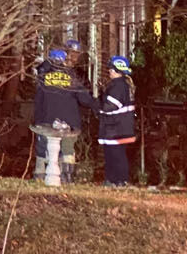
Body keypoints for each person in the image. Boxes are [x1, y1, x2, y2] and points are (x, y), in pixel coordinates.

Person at [31, 47, 94, 183]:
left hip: (47, 120)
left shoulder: (44, 78)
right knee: (67, 148)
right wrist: (97, 105)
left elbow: (38, 101)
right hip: (69, 122)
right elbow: (85, 99)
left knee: (43, 147)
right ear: (63, 61)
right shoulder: (72, 77)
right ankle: (67, 177)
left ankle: (40, 175)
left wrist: (37, 121)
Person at [97, 55, 137, 187]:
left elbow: (110, 106)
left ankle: (117, 180)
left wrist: (96, 104)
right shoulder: (124, 85)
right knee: (116, 154)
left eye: (111, 69)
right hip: (120, 127)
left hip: (115, 128)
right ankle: (115, 180)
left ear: (117, 70)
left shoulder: (118, 86)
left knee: (114, 155)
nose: (109, 71)